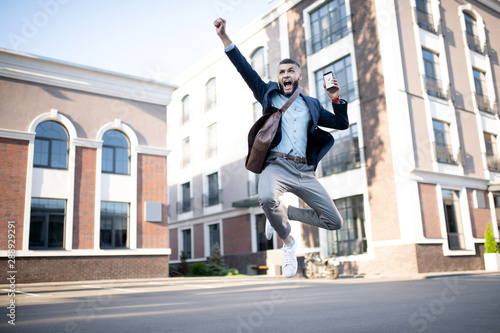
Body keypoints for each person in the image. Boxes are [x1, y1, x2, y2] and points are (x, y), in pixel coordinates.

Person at [214, 17, 349, 278]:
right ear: (278, 77)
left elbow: (341, 123)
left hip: (305, 171)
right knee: (266, 198)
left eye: (290, 71)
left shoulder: (313, 105)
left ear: (299, 76)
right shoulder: (268, 93)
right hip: (276, 166)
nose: (286, 75)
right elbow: (244, 68)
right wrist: (224, 37)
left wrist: (334, 97)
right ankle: (287, 242)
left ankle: (285, 212)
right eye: (281, 72)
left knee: (334, 221)